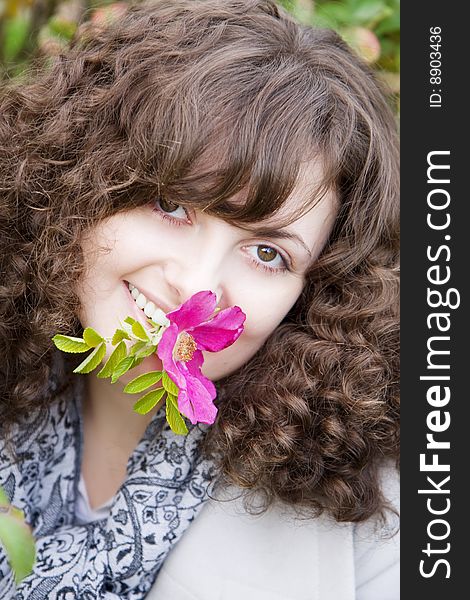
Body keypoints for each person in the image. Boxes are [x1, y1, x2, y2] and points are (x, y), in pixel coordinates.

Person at [0, 0, 400, 598]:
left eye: (269, 253)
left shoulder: (384, 535)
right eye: (172, 205)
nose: (196, 285)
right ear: (76, 183)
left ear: (318, 296)